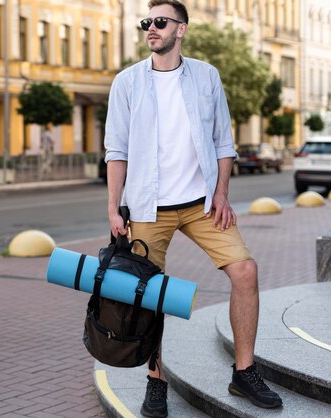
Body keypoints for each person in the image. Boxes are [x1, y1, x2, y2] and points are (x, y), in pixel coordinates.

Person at [103, 1, 282, 416]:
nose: (152, 28)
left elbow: (223, 141)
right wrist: (115, 207)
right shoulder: (127, 82)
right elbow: (117, 149)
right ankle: (156, 380)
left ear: (181, 30)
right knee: (149, 294)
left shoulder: (206, 76)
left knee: (245, 270)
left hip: (201, 204)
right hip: (148, 207)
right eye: (147, 22)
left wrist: (221, 193)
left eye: (160, 22)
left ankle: (244, 372)